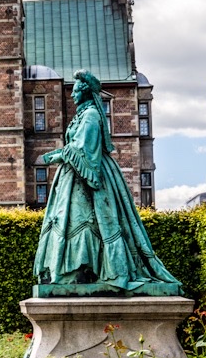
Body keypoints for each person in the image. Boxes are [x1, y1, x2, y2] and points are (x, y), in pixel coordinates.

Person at [34, 70, 183, 296]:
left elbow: (85, 149)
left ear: (84, 91)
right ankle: (76, 272)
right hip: (74, 179)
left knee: (85, 221)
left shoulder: (91, 114)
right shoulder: (83, 114)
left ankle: (87, 270)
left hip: (89, 178)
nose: (72, 94)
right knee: (73, 220)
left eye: (75, 89)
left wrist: (58, 155)